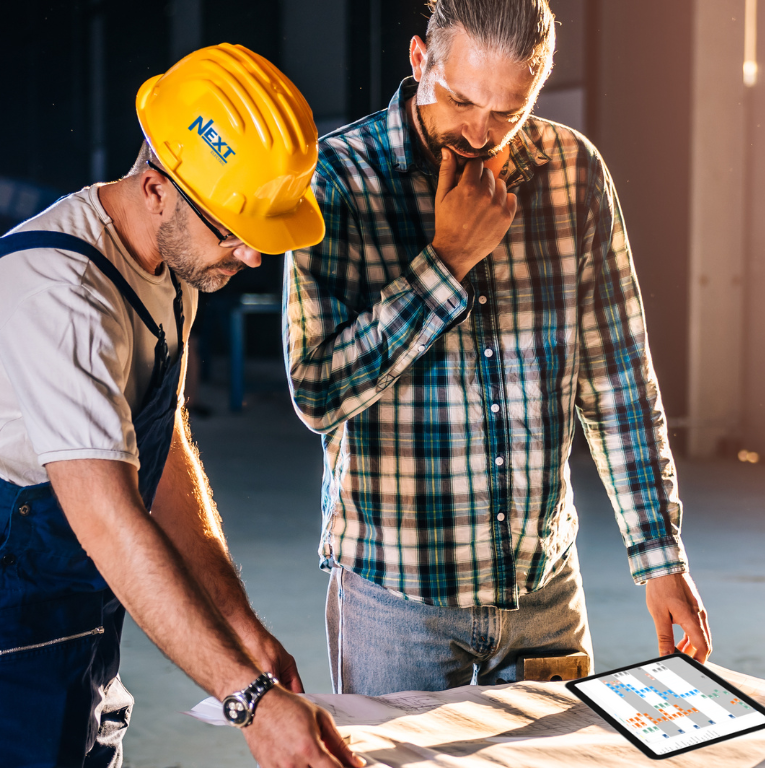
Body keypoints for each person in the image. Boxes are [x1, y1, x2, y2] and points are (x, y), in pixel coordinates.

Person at [0, 44, 362, 768]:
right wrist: (248, 703)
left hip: (68, 613)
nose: (252, 256)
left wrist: (239, 628)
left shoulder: (177, 262)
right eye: (233, 229)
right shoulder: (59, 299)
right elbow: (108, 521)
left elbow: (161, 451)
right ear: (158, 190)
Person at [283, 0, 712, 696]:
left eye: (508, 111)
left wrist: (660, 558)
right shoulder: (337, 180)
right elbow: (317, 392)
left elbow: (619, 381)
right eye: (460, 100)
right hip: (398, 600)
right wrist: (446, 262)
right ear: (421, 61)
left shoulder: (572, 172)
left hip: (542, 594)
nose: (480, 132)